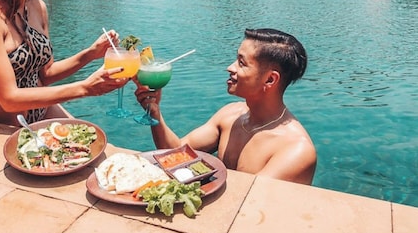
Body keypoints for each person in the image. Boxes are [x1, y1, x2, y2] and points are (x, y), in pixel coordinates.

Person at [134, 28, 316, 185]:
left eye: (241, 63)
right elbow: (175, 154)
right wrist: (154, 111)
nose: (230, 67)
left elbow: (248, 201)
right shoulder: (230, 115)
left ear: (270, 79)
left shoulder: (295, 149)